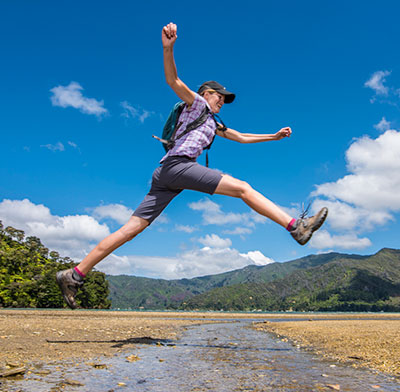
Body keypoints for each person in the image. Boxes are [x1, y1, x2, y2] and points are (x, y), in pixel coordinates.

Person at [56, 23, 328, 309]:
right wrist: (168, 48)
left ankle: (74, 274)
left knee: (131, 229)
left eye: (225, 99)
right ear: (206, 93)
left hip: (165, 175)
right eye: (219, 96)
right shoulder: (196, 104)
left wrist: (273, 136)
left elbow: (242, 137)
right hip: (178, 166)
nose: (222, 101)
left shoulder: (214, 123)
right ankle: (296, 227)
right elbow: (174, 81)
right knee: (243, 189)